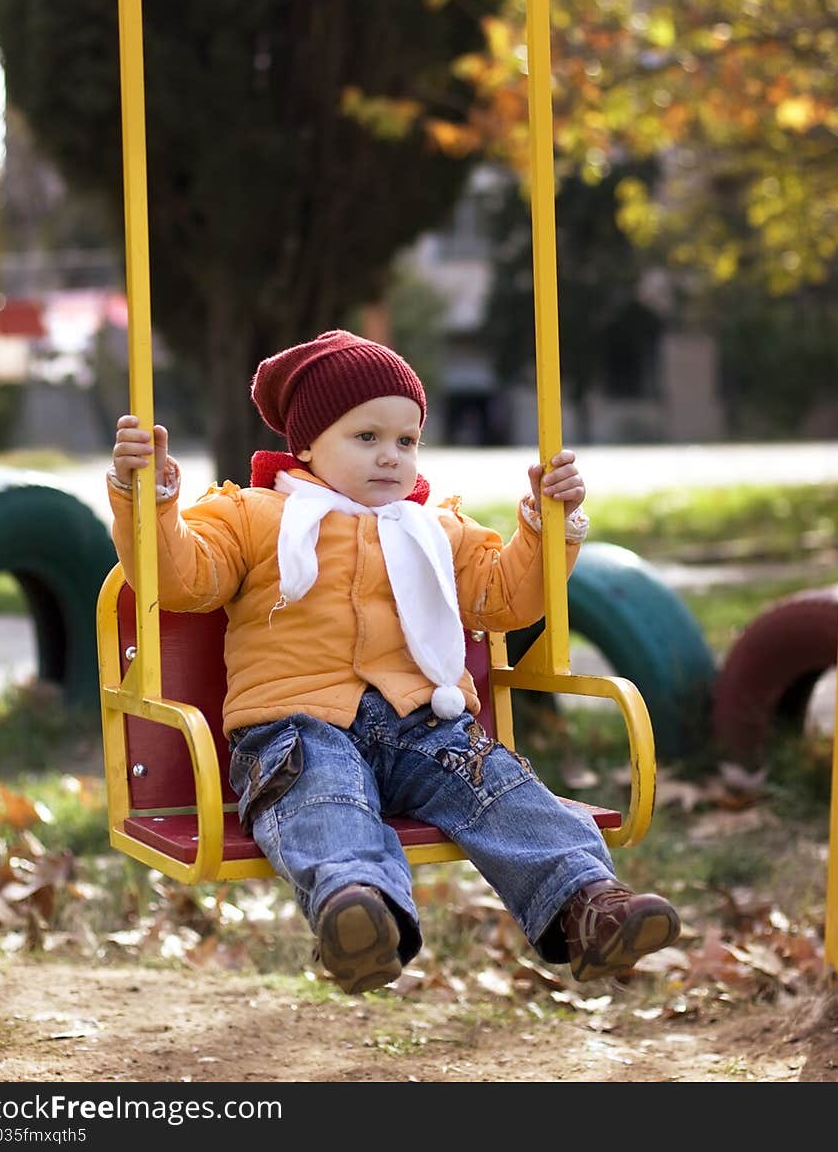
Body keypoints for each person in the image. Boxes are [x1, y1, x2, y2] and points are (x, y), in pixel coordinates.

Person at [107, 329, 680, 995]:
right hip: (298, 729)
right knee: (324, 800)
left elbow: (507, 599)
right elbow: (182, 580)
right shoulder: (253, 517)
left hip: (426, 725)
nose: (391, 457)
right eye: (367, 437)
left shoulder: (437, 530)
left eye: (406, 441)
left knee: (501, 789)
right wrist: (149, 499)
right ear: (307, 444)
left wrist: (546, 527)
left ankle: (589, 907)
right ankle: (360, 915)